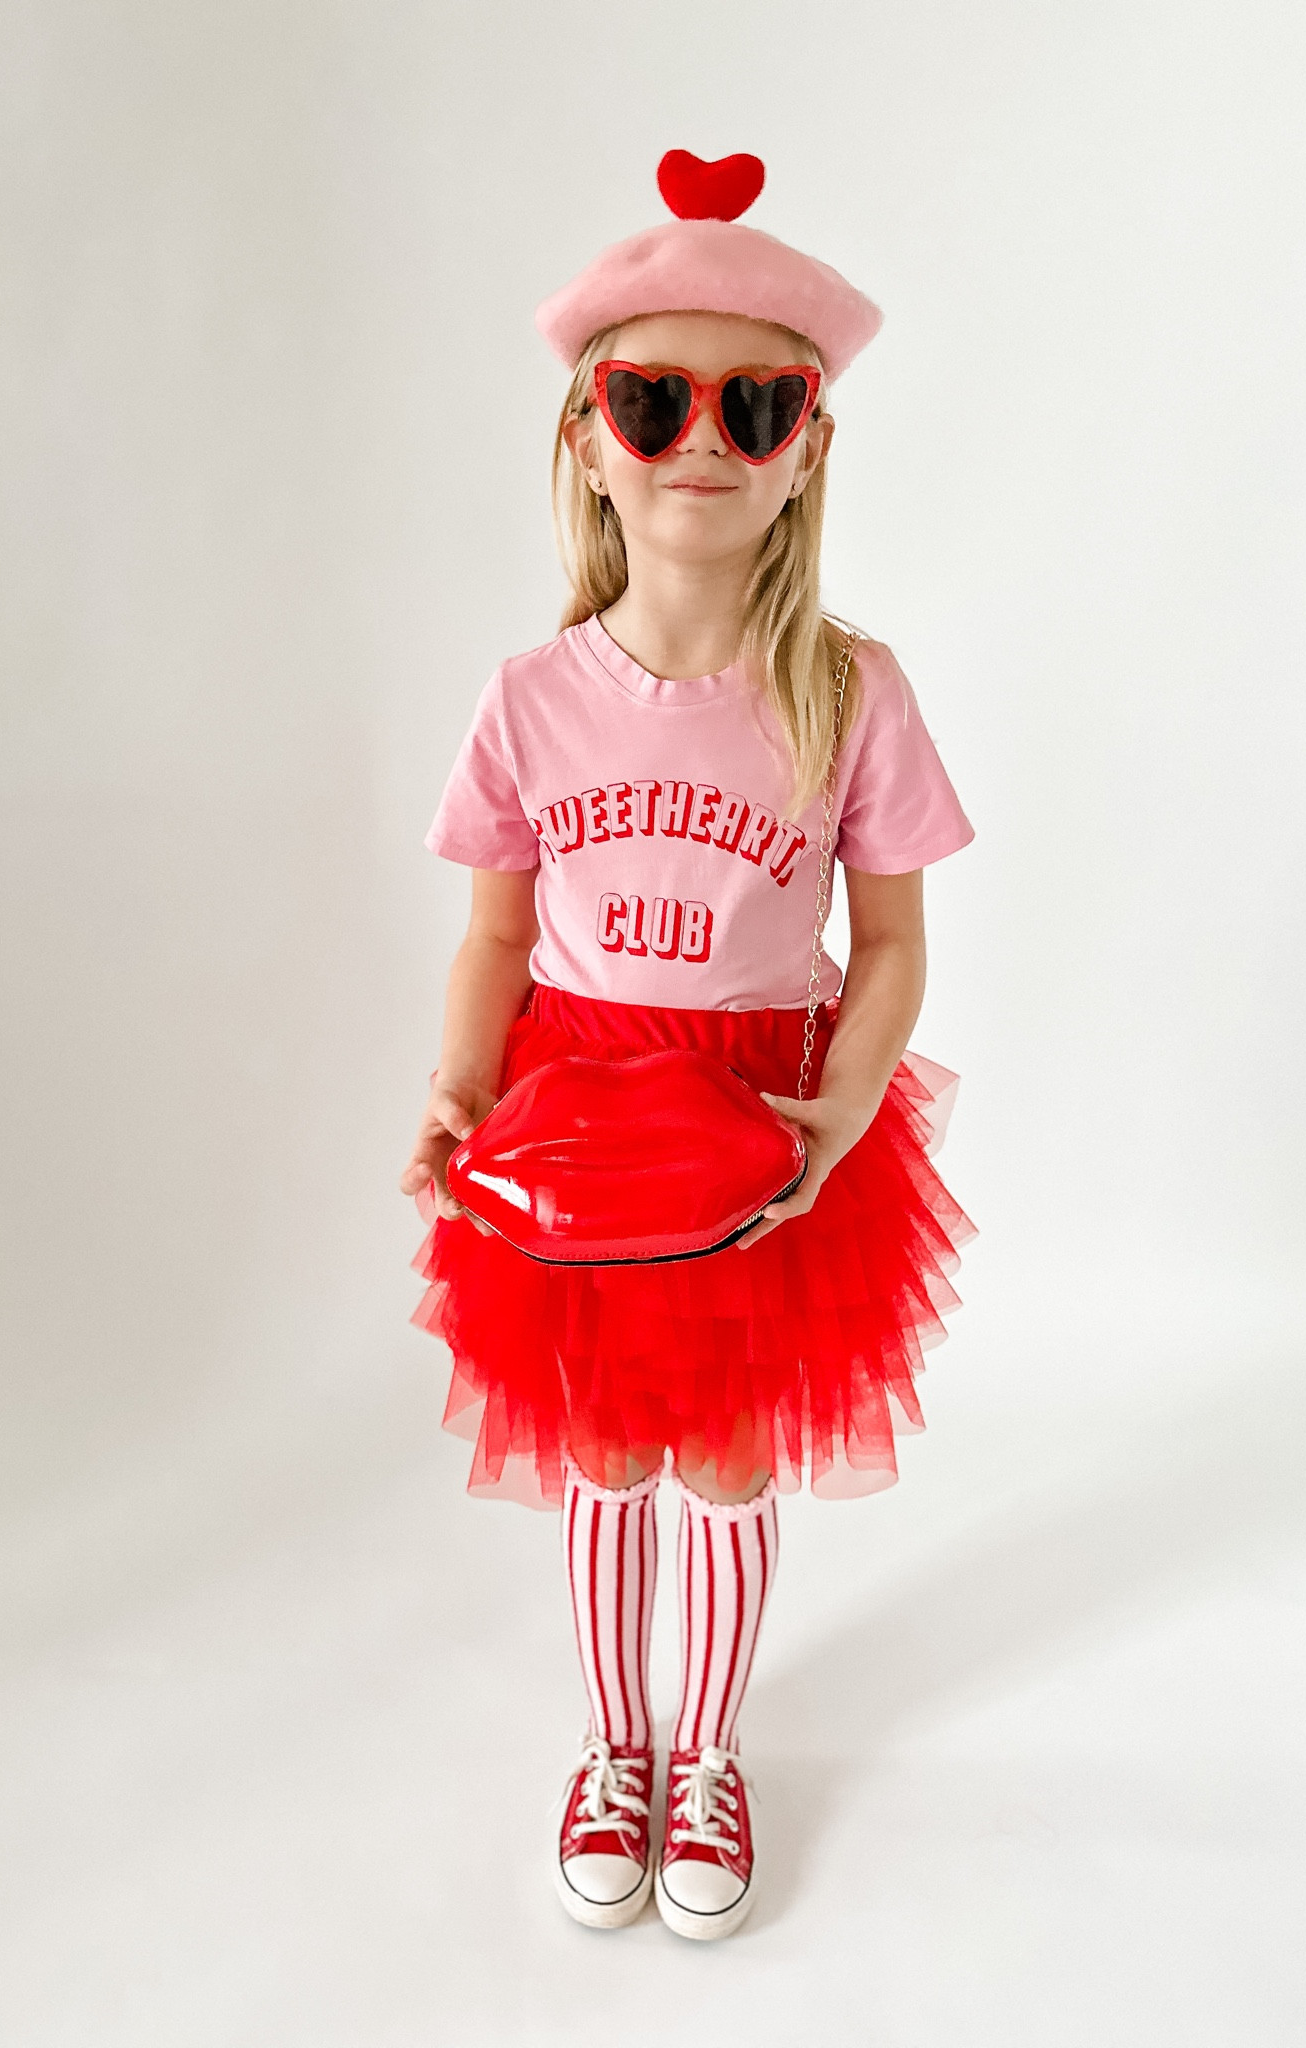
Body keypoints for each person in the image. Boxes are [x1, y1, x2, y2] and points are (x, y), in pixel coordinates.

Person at [400, 151, 975, 1941]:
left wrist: (844, 1107)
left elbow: (888, 946)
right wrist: (457, 1088)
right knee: (597, 1452)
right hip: (576, 1119)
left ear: (809, 442)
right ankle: (613, 1746)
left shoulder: (851, 691)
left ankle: (704, 1751)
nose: (704, 436)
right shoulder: (531, 697)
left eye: (757, 399)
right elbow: (499, 927)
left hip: (763, 1116)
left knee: (722, 1456)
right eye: (654, 399)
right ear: (590, 437)